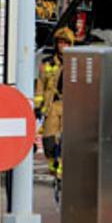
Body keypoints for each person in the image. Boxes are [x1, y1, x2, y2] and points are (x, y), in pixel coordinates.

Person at [37, 27, 76, 186]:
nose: (62, 46)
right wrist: (38, 106)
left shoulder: (76, 63)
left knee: (66, 141)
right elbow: (40, 85)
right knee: (49, 141)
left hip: (70, 106)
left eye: (66, 43)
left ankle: (62, 175)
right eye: (60, 42)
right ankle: (54, 169)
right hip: (52, 106)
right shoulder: (48, 63)